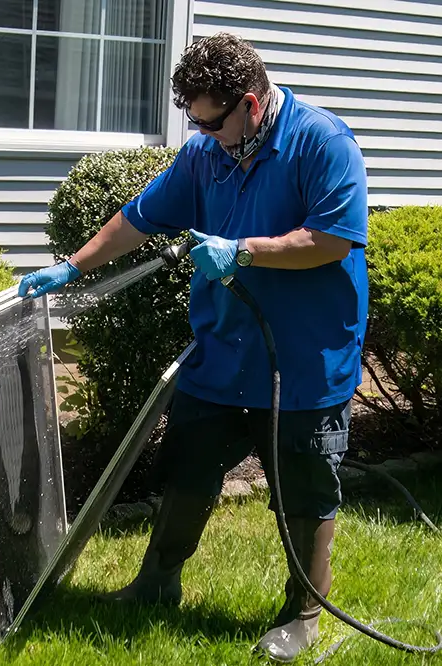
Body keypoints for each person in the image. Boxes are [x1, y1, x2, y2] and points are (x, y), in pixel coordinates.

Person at [18, 32, 368, 663]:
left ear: (253, 105)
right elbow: (140, 218)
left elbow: (331, 241)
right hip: (223, 351)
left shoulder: (323, 143)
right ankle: (157, 583)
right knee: (186, 467)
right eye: (197, 124)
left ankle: (305, 614)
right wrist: (74, 266)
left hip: (304, 358)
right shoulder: (206, 153)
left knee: (304, 486)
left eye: (215, 123)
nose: (206, 137)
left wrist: (245, 251)